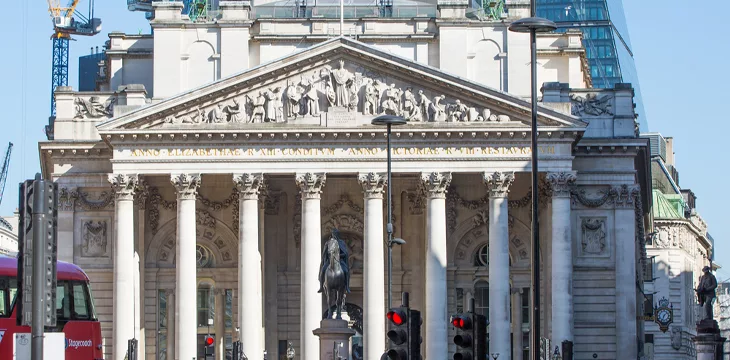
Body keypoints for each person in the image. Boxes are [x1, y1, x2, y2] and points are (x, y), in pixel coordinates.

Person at [318, 228, 351, 293]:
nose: (334, 235)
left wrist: (338, 256)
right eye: (333, 233)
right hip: (329, 261)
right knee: (323, 271)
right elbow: (324, 254)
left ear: (337, 234)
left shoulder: (341, 243)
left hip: (340, 261)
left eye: (335, 234)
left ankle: (347, 286)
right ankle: (321, 287)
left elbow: (345, 254)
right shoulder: (328, 243)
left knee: (346, 271)